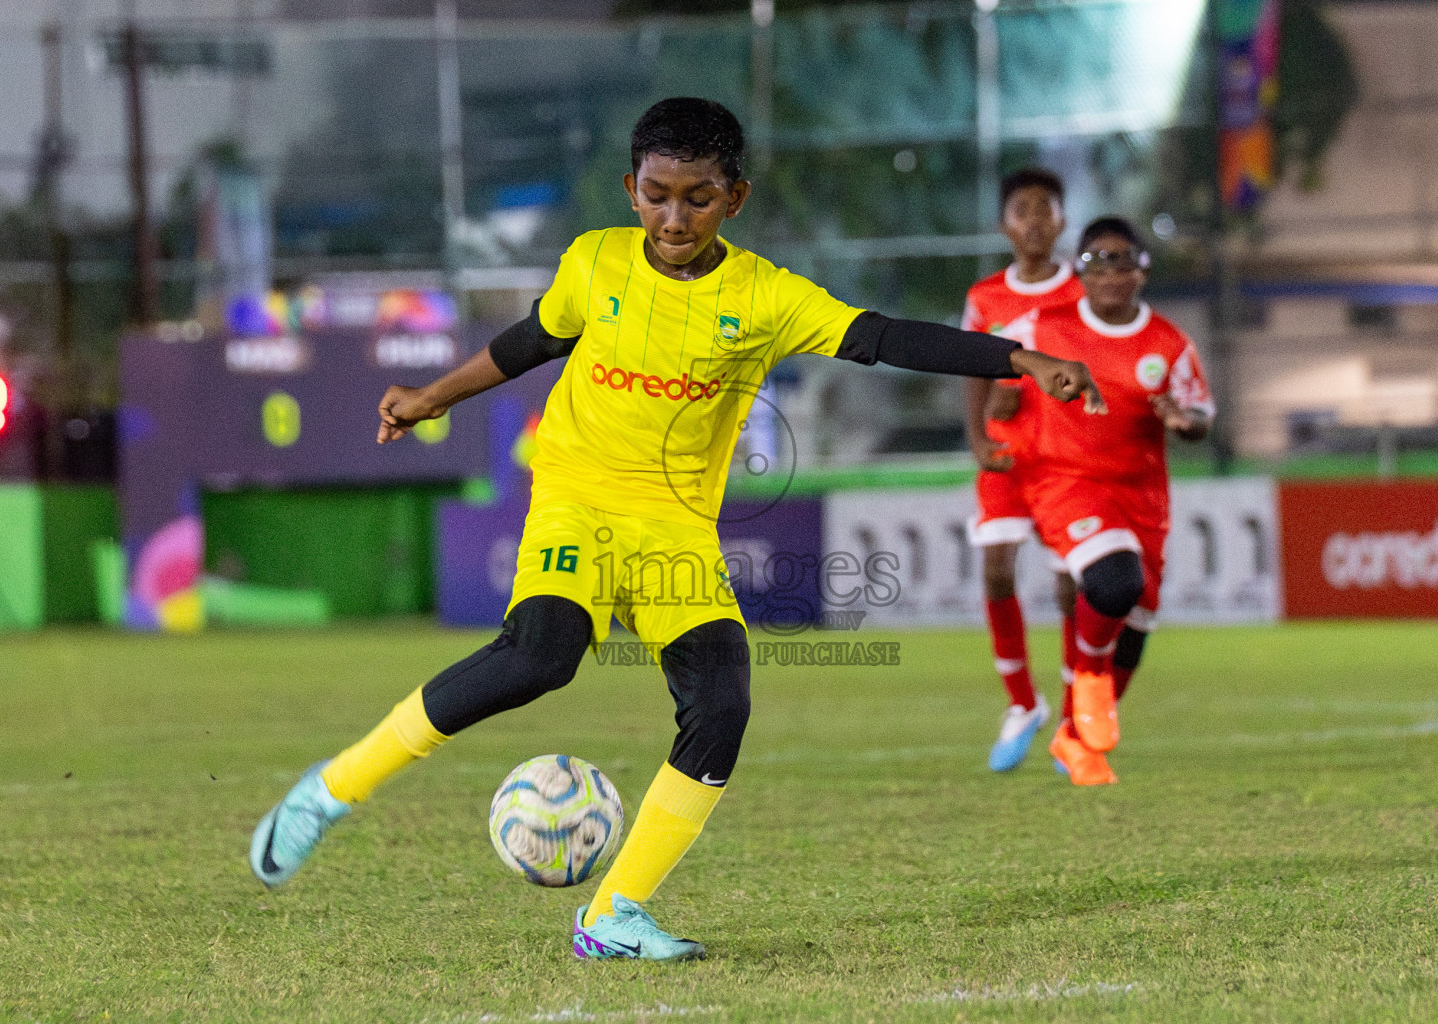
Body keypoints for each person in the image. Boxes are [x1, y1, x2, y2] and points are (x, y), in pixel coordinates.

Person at [248, 97, 1104, 961]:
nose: (673, 217)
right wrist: (433, 396)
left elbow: (882, 337)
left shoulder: (765, 296)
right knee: (540, 656)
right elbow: (533, 340)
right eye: (657, 194)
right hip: (575, 499)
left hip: (675, 532)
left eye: (697, 197)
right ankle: (329, 791)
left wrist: (1019, 357)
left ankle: (613, 912)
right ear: (630, 189)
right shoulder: (596, 262)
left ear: (735, 197)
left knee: (722, 706)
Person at [1010, 216, 1213, 786]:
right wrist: (991, 429)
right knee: (1113, 581)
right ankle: (1089, 680)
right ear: (1081, 272)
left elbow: (1200, 414)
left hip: (1142, 495)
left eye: (1124, 260)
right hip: (1065, 482)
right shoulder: (1042, 326)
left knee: (1139, 620)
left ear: (1143, 271)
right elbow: (991, 363)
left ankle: (1073, 736)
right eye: (1099, 260)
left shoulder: (1169, 344)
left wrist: (1182, 421)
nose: (1112, 272)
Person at [960, 168, 1084, 772]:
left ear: (1062, 219)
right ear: (1004, 224)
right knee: (995, 569)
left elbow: (1098, 368)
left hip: (1067, 458)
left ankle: (1072, 719)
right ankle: (1022, 704)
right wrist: (979, 433)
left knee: (1070, 588)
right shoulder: (986, 297)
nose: (1034, 219)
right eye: (1022, 209)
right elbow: (972, 370)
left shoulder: (1084, 292)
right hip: (1009, 452)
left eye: (1045, 207)